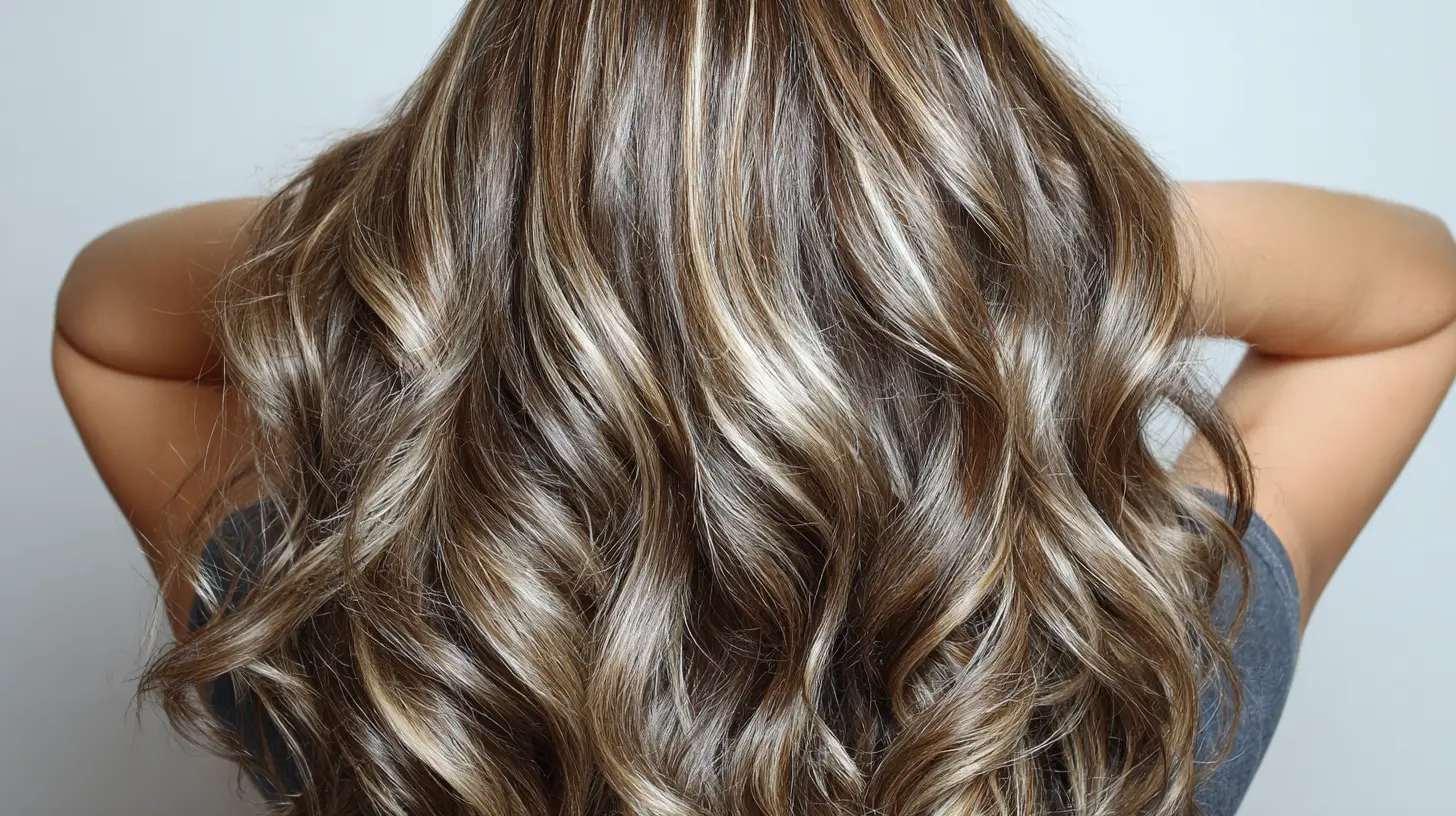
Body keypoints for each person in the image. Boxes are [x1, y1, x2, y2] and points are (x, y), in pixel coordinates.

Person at [50, 1, 1456, 814]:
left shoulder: (363, 685)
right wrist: (1034, 249)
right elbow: (1410, 295)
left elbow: (108, 325)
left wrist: (456, 254)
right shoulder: (1145, 686)